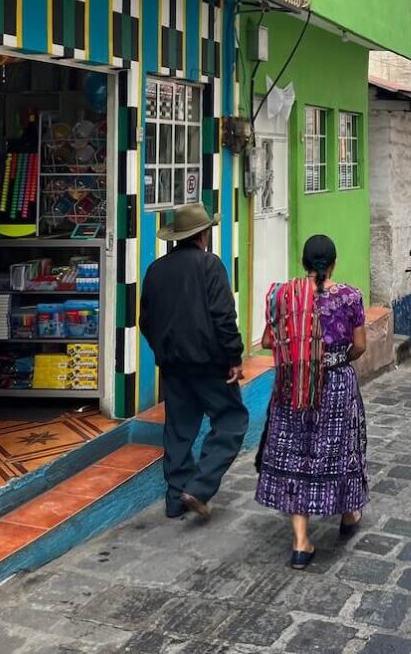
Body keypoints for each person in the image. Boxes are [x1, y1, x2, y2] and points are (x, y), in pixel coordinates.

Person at [255, 235, 368, 570]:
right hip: (335, 383)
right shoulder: (350, 297)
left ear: (303, 263)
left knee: (295, 453)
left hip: (294, 384)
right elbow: (360, 346)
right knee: (340, 448)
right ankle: (348, 513)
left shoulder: (284, 296)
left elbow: (266, 340)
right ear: (333, 263)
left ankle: (301, 541)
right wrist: (336, 360)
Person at [140, 203, 247, 521]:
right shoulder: (210, 265)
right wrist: (234, 357)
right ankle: (199, 487)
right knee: (231, 420)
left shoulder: (156, 270)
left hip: (173, 364)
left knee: (178, 429)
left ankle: (175, 500)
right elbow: (224, 316)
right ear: (203, 234)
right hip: (208, 362)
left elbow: (146, 319)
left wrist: (163, 349)